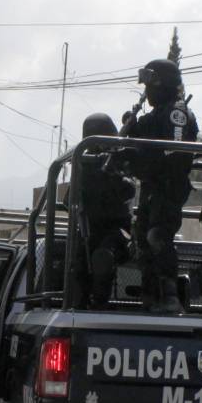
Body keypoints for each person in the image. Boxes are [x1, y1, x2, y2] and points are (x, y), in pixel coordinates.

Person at [121, 58, 199, 314]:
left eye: (151, 86)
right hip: (151, 187)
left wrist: (142, 160)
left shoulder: (177, 113)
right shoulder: (153, 115)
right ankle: (150, 294)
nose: (147, 92)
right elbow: (134, 143)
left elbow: (174, 153)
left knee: (158, 237)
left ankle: (170, 296)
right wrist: (129, 131)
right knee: (142, 240)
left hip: (168, 186)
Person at [73, 113, 136, 309]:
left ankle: (100, 303)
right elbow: (70, 200)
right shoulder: (85, 165)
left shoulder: (117, 160)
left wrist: (112, 173)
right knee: (78, 264)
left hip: (118, 233)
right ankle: (82, 303)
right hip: (90, 231)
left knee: (103, 256)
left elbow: (128, 190)